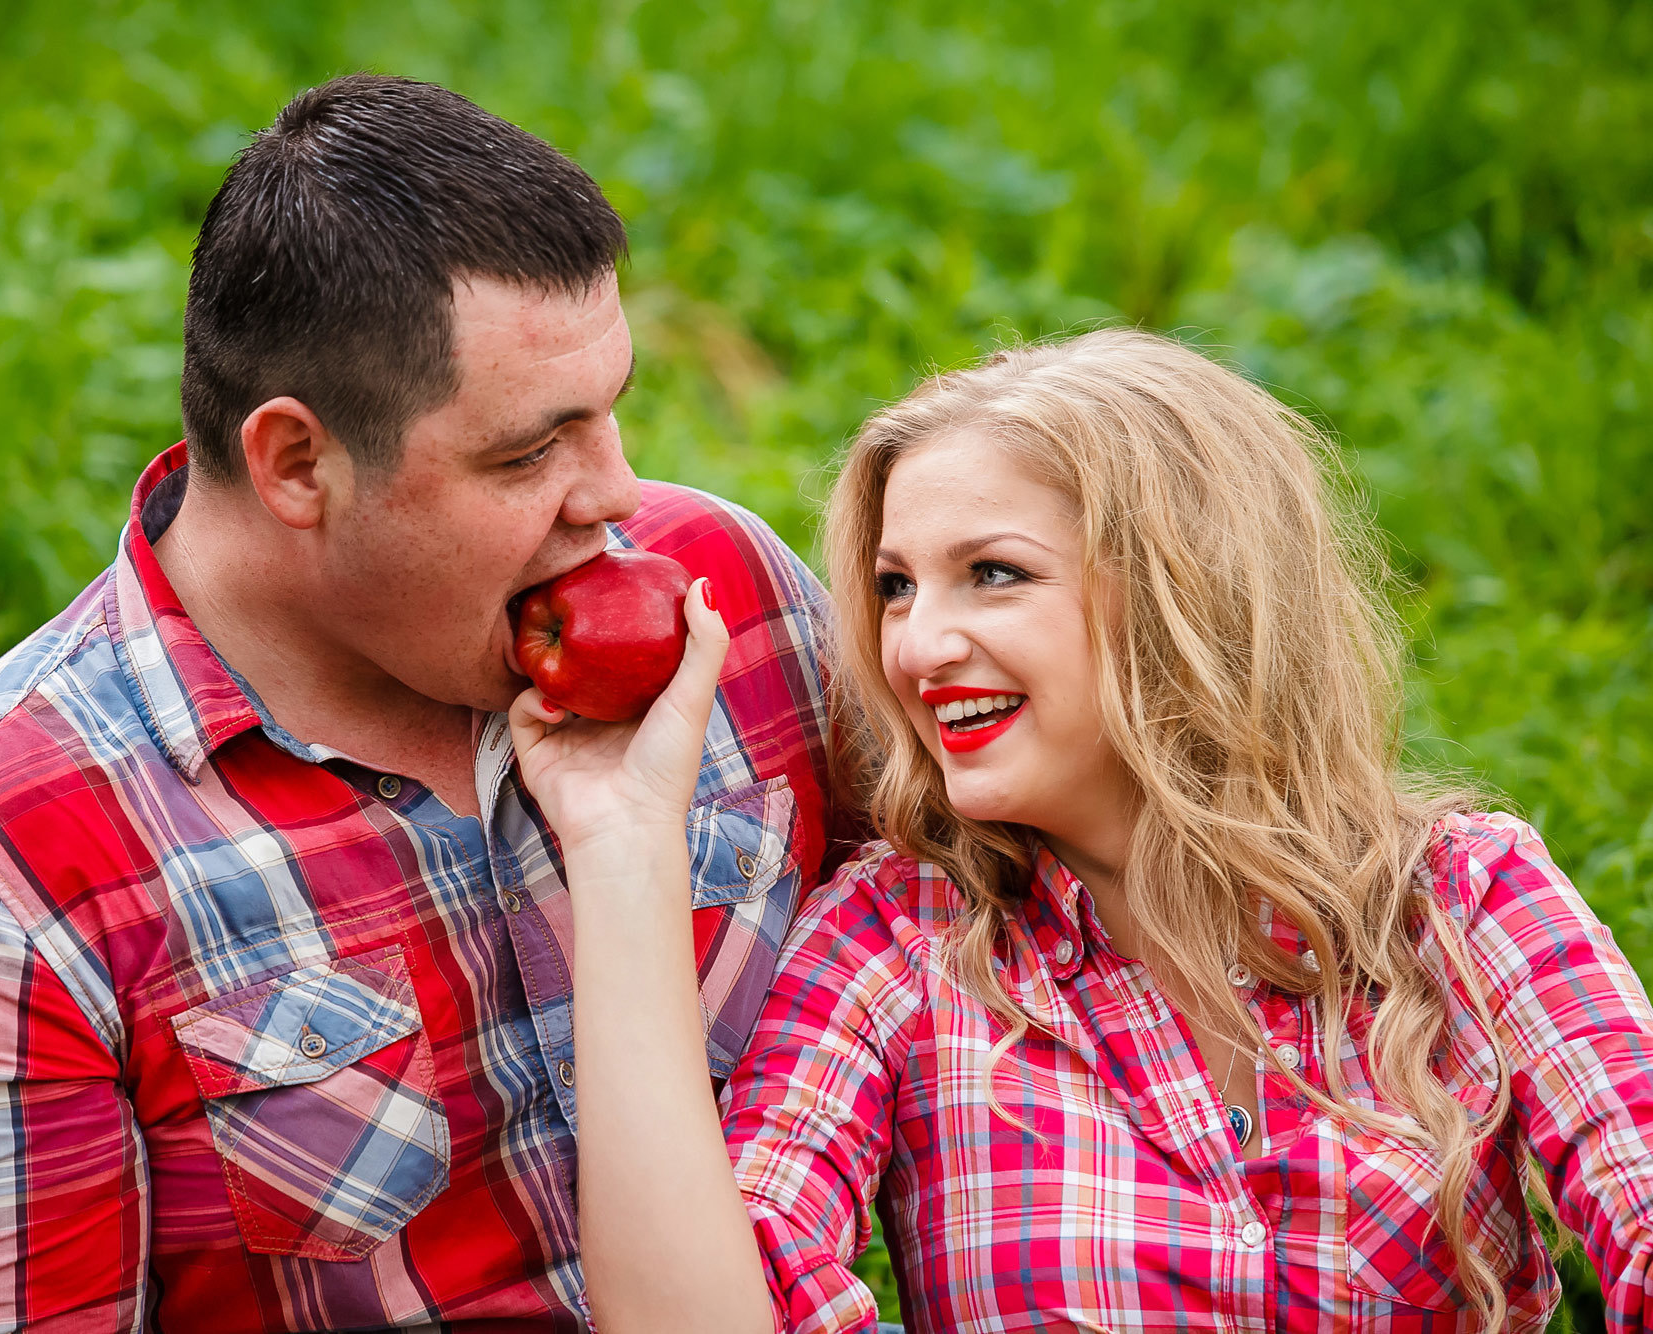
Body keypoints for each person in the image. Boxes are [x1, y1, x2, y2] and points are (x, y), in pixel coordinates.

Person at [0, 75, 844, 1333]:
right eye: (526, 452)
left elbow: (1010, 976)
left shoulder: (720, 599)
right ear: (297, 462)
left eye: (611, 413)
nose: (615, 494)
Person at [510, 328, 1653, 1333]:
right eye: (896, 586)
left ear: (1180, 592)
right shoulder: (894, 941)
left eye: (991, 574)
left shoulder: (1462, 898)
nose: (914, 647)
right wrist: (622, 842)